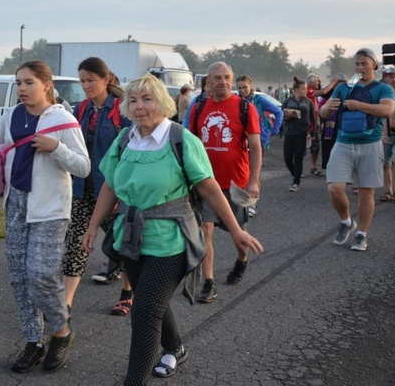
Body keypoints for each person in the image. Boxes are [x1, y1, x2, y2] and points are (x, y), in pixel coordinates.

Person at [81, 74, 263, 385]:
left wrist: (235, 230)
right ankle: (175, 348)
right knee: (151, 299)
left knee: (144, 311)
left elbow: (209, 189)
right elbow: (111, 185)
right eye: (133, 100)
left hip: (172, 241)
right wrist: (92, 225)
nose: (139, 107)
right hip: (132, 237)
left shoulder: (180, 139)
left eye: (147, 99)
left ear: (163, 102)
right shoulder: (125, 139)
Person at [0, 60, 90, 373]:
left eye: (29, 83)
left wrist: (55, 148)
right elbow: (5, 149)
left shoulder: (63, 120)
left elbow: (83, 167)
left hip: (50, 208)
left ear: (46, 85)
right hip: (16, 204)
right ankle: (33, 341)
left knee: (40, 275)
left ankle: (61, 332)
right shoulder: (11, 115)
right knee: (19, 276)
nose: (22, 89)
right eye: (19, 83)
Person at [62, 57, 134, 318]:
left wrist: (121, 189)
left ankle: (128, 293)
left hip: (113, 191)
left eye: (91, 80)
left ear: (106, 79)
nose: (86, 85)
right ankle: (66, 304)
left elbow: (131, 149)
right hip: (83, 190)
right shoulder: (80, 110)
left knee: (120, 245)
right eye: (82, 81)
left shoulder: (121, 111)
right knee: (76, 245)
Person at [184, 62, 262, 304]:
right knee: (205, 229)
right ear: (208, 82)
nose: (223, 82)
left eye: (227, 77)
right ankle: (208, 282)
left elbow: (256, 146)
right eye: (217, 78)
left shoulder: (244, 108)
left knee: (238, 233)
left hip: (236, 184)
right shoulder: (198, 108)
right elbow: (190, 145)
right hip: (206, 183)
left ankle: (242, 260)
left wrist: (253, 180)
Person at [320, 48, 395, 251]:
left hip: (370, 143)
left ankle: (361, 234)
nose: (360, 67)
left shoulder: (383, 88)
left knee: (365, 193)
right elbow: (323, 112)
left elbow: (388, 110)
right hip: (343, 142)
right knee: (334, 188)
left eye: (364, 63)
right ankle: (346, 222)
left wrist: (359, 105)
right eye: (357, 64)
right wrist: (329, 108)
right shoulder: (345, 88)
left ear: (374, 65)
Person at [235, 75, 283, 216]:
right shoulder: (236, 101)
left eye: (245, 87)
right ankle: (241, 201)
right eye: (239, 88)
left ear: (251, 86)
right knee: (242, 171)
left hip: (258, 140)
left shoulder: (259, 100)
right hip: (240, 141)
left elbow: (278, 112)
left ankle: (252, 204)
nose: (242, 90)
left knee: (254, 173)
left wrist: (273, 130)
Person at [281, 77, 313, 192]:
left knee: (298, 157)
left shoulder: (308, 101)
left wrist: (312, 133)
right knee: (287, 158)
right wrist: (287, 116)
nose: (305, 91)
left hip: (302, 132)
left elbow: (312, 118)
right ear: (295, 89)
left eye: (306, 89)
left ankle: (296, 182)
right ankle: (295, 173)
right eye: (303, 89)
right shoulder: (288, 100)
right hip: (290, 131)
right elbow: (281, 113)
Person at [305, 73, 340, 176]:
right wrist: (333, 82)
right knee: (304, 147)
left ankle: (313, 166)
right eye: (317, 81)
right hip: (308, 124)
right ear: (311, 82)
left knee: (315, 146)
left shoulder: (313, 93)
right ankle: (298, 170)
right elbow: (324, 91)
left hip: (315, 122)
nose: (319, 83)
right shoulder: (308, 91)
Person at [380, 65, 395, 203]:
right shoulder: (383, 94)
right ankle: (388, 190)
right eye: (391, 77)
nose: (394, 80)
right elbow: (381, 116)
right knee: (385, 164)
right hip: (386, 133)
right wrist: (383, 133)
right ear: (385, 78)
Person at [320, 73, 348, 171]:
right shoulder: (331, 93)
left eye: (343, 83)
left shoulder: (349, 94)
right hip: (329, 127)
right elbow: (323, 92)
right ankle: (329, 168)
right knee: (329, 147)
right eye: (338, 83)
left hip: (342, 125)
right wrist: (332, 83)